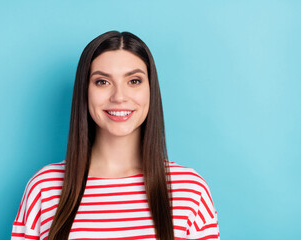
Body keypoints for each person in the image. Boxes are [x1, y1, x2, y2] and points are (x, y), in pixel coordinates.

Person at [11, 31, 220, 240]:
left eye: (134, 81)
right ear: (85, 91)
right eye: (102, 82)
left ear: (150, 89)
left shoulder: (190, 190)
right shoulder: (44, 188)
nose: (119, 97)